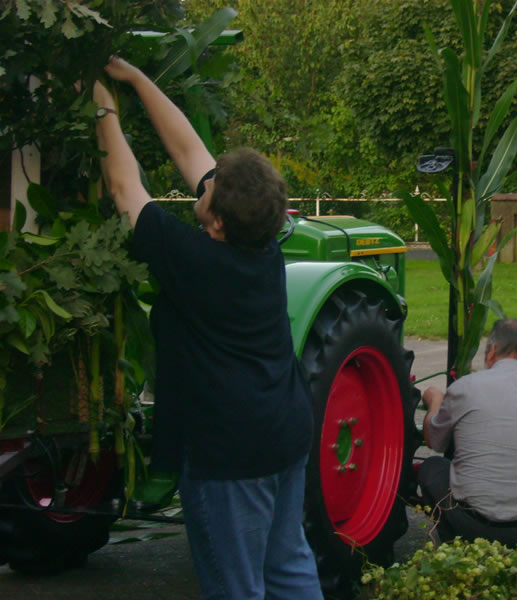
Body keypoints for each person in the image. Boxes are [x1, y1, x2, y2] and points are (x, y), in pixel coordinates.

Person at [94, 57, 323, 599]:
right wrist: (137, 80)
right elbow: (188, 150)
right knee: (288, 566)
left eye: (211, 186)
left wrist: (99, 100)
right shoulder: (263, 241)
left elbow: (125, 186)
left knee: (236, 587)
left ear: (216, 220)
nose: (205, 178)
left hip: (229, 455)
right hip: (284, 432)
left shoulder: (194, 261)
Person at [417, 318, 517, 547]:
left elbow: (435, 441)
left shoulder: (464, 388)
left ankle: (456, 545)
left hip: (476, 525)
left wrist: (435, 402)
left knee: (431, 468)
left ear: (491, 351)